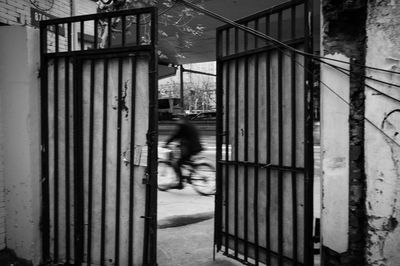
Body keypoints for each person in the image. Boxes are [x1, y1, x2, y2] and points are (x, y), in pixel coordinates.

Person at [164, 117, 203, 189]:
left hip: (191, 148)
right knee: (185, 161)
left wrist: (167, 143)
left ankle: (180, 183)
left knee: (177, 163)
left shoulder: (182, 125)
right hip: (196, 147)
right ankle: (191, 171)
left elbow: (176, 135)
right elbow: (185, 136)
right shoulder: (189, 124)